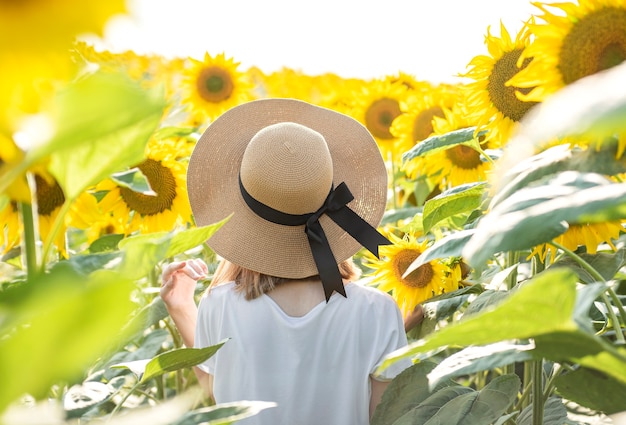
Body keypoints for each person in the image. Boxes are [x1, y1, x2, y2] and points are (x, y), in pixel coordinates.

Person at [160, 98, 415, 424]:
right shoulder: (377, 312)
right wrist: (396, 329)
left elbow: (220, 397)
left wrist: (181, 306)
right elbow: (385, 416)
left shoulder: (219, 304)